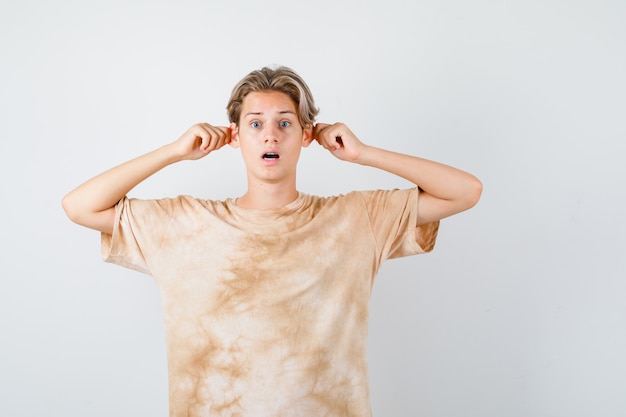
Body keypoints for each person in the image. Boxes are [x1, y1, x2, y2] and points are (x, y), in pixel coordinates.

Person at [62, 65, 482, 417]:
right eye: (255, 124)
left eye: (285, 123)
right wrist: (173, 152)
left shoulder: (358, 218)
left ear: (306, 135)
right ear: (235, 136)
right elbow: (79, 206)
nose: (270, 136)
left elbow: (465, 191)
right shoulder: (184, 223)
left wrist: (363, 153)